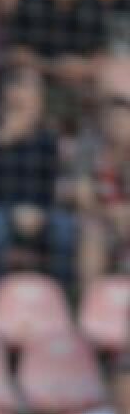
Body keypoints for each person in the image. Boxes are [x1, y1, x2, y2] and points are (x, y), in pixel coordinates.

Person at [0, 67, 76, 288]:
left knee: (64, 228)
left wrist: (38, 212)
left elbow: (52, 184)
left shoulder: (49, 138)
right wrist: (1, 144)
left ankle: (60, 296)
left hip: (41, 212)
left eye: (29, 99)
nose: (21, 107)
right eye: (15, 101)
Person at [72, 94, 130, 289]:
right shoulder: (89, 151)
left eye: (123, 120)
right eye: (112, 119)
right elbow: (82, 195)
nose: (117, 125)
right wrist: (110, 213)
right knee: (92, 236)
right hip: (99, 221)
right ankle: (90, 301)